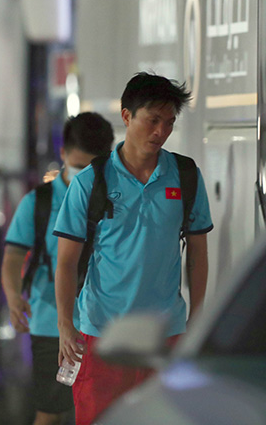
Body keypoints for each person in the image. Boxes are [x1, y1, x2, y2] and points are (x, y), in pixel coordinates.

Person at [53, 72, 213, 424]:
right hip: (101, 334)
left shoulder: (185, 175)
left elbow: (198, 253)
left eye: (169, 122)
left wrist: (198, 318)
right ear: (126, 116)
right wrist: (65, 324)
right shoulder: (90, 183)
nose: (161, 131)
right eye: (152, 120)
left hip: (165, 334)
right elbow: (65, 262)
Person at [1, 112, 115, 425]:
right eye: (78, 165)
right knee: (51, 414)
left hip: (105, 325)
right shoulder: (38, 202)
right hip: (51, 325)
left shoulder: (116, 199)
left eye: (92, 167)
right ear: (62, 154)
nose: (83, 175)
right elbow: (13, 256)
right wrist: (14, 297)